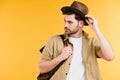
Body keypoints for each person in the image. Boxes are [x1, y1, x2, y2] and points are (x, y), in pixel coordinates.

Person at [39, 1, 114, 80]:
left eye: (70, 22)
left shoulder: (91, 42)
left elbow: (110, 56)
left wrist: (96, 30)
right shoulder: (54, 40)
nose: (65, 25)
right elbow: (42, 68)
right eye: (65, 21)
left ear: (81, 24)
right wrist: (60, 57)